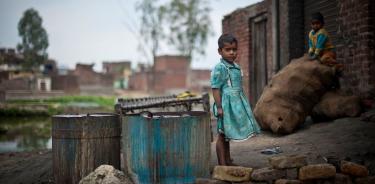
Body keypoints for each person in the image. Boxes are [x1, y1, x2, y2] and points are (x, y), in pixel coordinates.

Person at [211, 34, 261, 166]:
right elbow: (215, 88)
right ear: (220, 51)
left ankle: (228, 161)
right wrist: (219, 107)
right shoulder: (220, 68)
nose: (232, 52)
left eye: (234, 49)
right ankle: (222, 165)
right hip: (225, 106)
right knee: (222, 135)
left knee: (227, 135)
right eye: (228, 50)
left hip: (235, 105)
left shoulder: (236, 67)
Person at [308, 12, 343, 88]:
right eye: (313, 24)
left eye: (317, 23)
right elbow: (311, 44)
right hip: (319, 53)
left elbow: (319, 45)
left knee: (324, 59)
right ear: (311, 24)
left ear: (322, 23)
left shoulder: (322, 33)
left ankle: (338, 67)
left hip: (328, 52)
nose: (315, 25)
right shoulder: (311, 33)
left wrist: (315, 55)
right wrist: (310, 52)